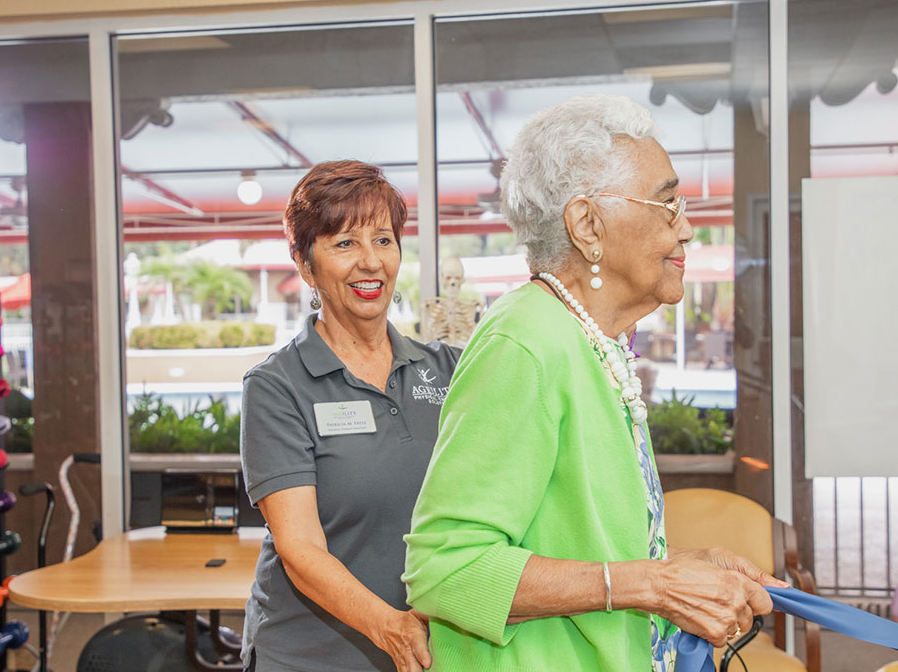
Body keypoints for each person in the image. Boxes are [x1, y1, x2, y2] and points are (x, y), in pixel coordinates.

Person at [402, 95, 786, 672]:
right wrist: (654, 584)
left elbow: (574, 546)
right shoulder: (525, 342)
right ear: (586, 225)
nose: (686, 228)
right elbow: (446, 570)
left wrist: (680, 563)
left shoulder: (590, 339)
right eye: (666, 202)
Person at [240, 160, 459, 672]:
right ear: (304, 261)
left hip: (430, 652)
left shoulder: (447, 369)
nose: (370, 262)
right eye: (345, 243)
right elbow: (300, 549)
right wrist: (391, 627)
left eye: (384, 240)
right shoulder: (277, 387)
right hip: (310, 657)